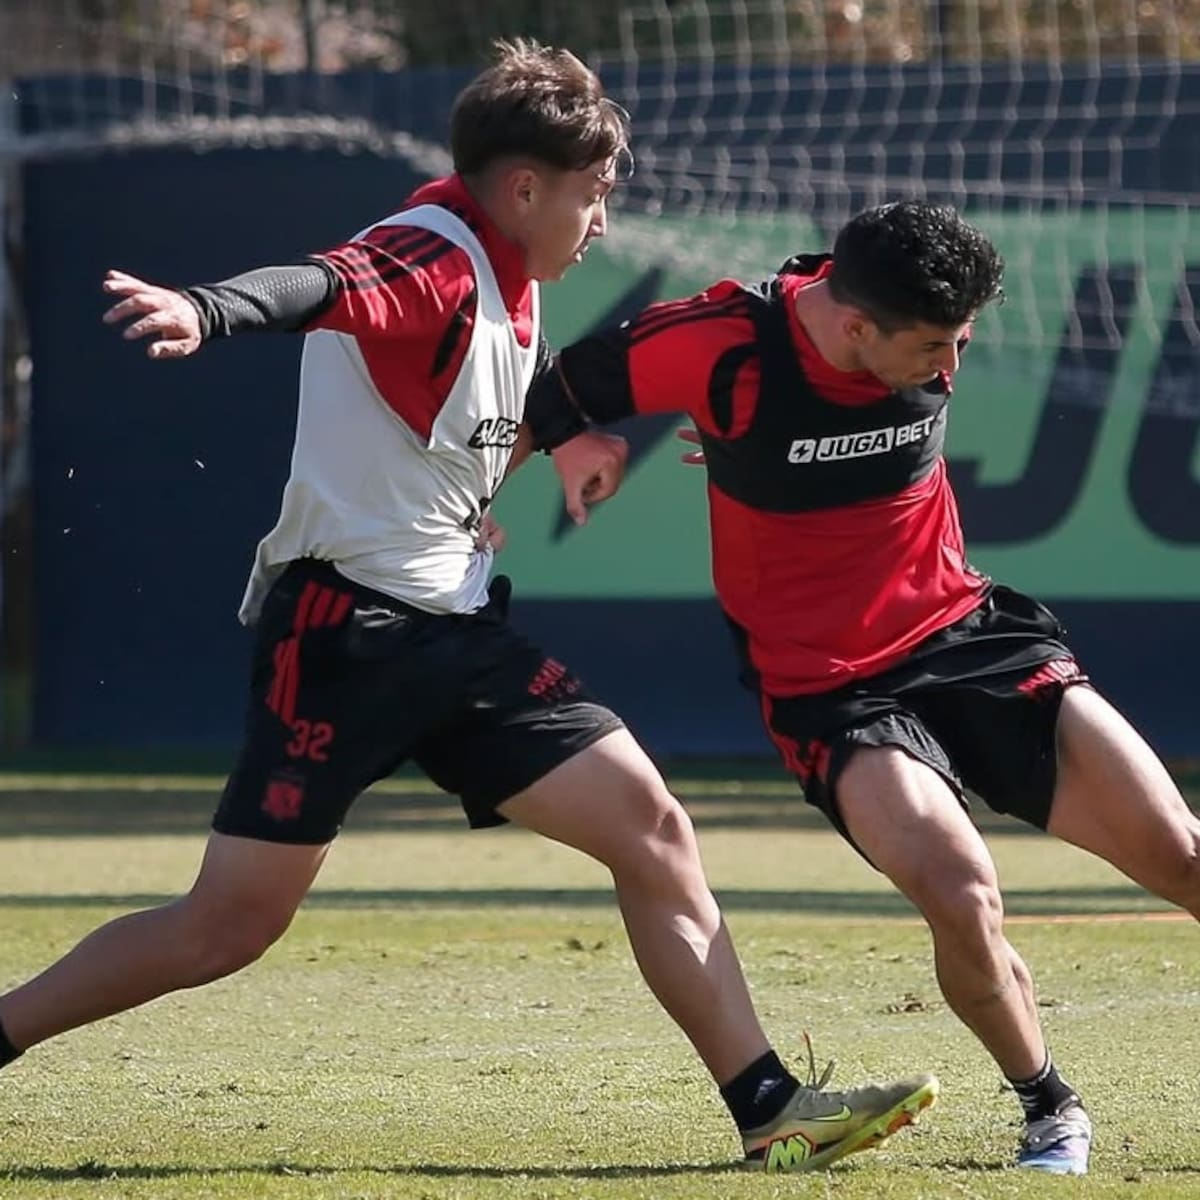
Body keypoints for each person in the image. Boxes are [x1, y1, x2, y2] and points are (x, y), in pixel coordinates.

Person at [0, 42, 937, 1174]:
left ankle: (768, 1107)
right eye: (592, 195)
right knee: (226, 927)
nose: (602, 219)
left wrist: (571, 435)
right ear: (527, 187)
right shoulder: (431, 253)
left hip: (454, 628)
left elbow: (471, 391)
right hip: (346, 635)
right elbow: (324, 286)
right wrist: (207, 309)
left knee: (651, 829)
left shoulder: (507, 272)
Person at [530, 197, 1200, 1177]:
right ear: (854, 327)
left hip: (973, 640)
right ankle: (1051, 1107)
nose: (952, 369)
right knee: (962, 892)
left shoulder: (899, 324)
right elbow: (561, 385)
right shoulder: (727, 344)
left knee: (1181, 852)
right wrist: (555, 449)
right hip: (833, 690)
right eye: (934, 346)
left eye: (964, 341)